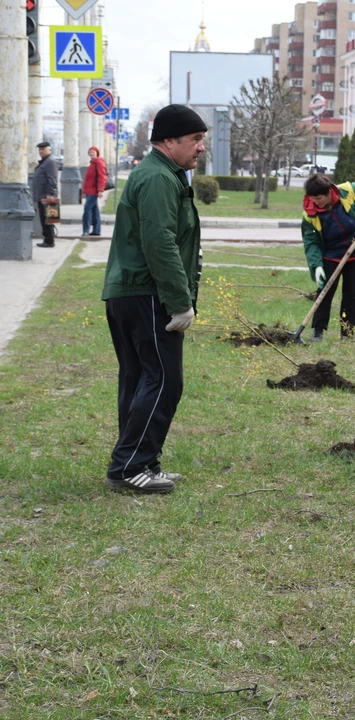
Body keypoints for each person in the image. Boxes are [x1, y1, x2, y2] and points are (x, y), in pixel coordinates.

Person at [100, 104, 207, 494]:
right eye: (194, 140)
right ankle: (130, 466)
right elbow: (159, 242)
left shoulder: (160, 174)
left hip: (129, 290)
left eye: (201, 140)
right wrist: (180, 301)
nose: (200, 148)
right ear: (168, 141)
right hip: (147, 293)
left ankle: (140, 461)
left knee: (139, 377)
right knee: (163, 380)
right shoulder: (160, 178)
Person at [301, 174, 355, 341]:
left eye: (319, 198)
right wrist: (316, 266)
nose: (316, 202)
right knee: (324, 291)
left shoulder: (347, 190)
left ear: (329, 192)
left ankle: (348, 333)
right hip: (331, 254)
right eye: (312, 198)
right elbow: (311, 242)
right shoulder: (310, 213)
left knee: (353, 293)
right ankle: (318, 331)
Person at [32, 141, 58, 249]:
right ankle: (47, 240)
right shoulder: (44, 162)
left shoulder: (50, 162)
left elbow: (52, 179)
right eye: (40, 149)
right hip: (41, 196)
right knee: (45, 219)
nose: (41, 151)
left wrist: (50, 194)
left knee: (48, 220)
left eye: (43, 149)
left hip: (47, 197)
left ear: (49, 150)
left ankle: (49, 241)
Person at [81, 146, 108, 237]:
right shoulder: (92, 163)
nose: (91, 153)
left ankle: (86, 230)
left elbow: (102, 177)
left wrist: (100, 190)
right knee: (95, 210)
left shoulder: (99, 163)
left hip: (94, 191)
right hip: (89, 191)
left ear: (97, 153)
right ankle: (96, 230)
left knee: (87, 209)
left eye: (93, 152)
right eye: (90, 152)